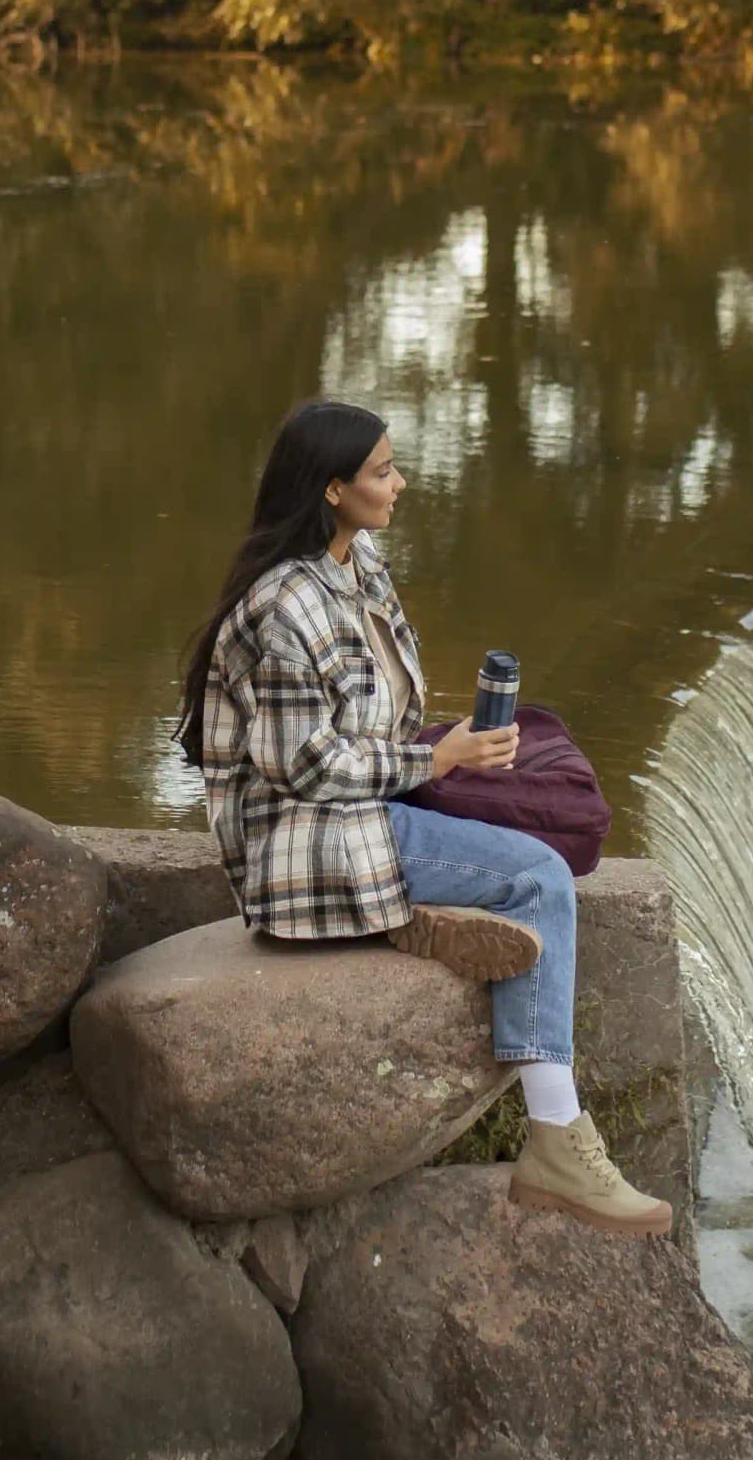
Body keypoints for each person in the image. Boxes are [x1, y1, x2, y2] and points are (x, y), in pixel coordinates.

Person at [178, 398, 673, 1235]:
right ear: (332, 489)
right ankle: (557, 1140)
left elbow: (384, 715)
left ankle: (404, 911)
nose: (400, 482)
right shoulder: (281, 607)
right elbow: (305, 767)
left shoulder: (357, 564)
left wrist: (456, 748)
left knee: (541, 802)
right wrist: (435, 763)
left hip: (368, 799)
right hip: (305, 839)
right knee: (538, 877)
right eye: (382, 472)